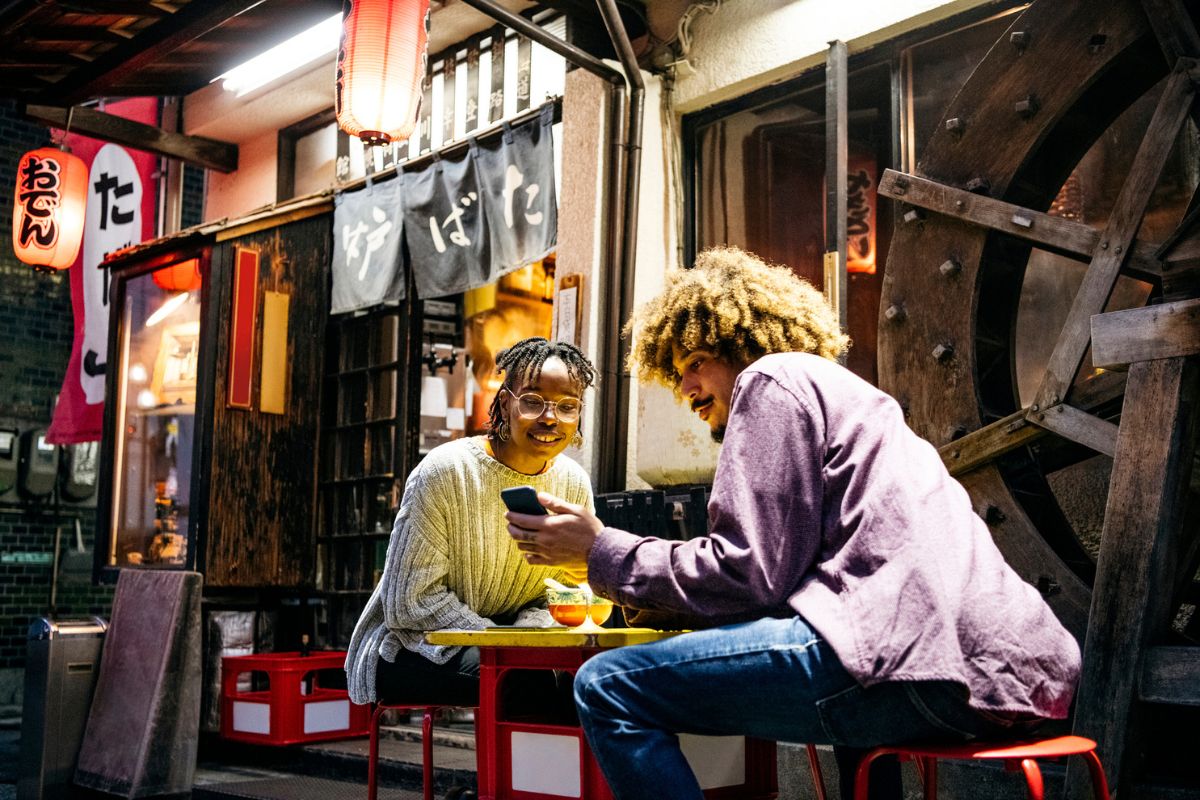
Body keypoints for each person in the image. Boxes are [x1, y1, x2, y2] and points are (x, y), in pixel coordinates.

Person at [504, 247, 1081, 800]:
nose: (685, 389)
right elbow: (782, 579)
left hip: (911, 667)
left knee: (607, 685)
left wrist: (600, 549)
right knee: (853, 689)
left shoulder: (769, 381)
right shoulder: (855, 400)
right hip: (1017, 678)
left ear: (740, 341)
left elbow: (748, 571)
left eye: (695, 364)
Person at [345, 337, 598, 708]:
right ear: (505, 400)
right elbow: (409, 604)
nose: (549, 417)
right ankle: (512, 769)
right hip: (410, 644)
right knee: (531, 687)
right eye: (532, 401)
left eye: (567, 406)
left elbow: (567, 591)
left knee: (593, 679)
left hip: (506, 645)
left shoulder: (573, 483)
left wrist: (527, 634)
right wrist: (505, 642)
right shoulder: (446, 471)